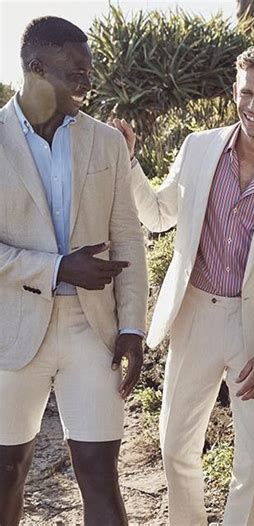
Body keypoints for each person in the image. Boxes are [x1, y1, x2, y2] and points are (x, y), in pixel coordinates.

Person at [116, 45, 254, 525]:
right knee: (174, 446)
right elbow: (159, 215)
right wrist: (130, 161)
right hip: (194, 314)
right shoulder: (198, 148)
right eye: (246, 92)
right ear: (234, 90)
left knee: (253, 460)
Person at [0, 17, 148, 526]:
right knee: (6, 475)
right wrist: (59, 266)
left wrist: (132, 328)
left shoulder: (106, 142)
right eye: (75, 74)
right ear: (36, 69)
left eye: (89, 72)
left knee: (101, 476)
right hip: (11, 333)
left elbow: (128, 237)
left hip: (93, 331)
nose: (87, 84)